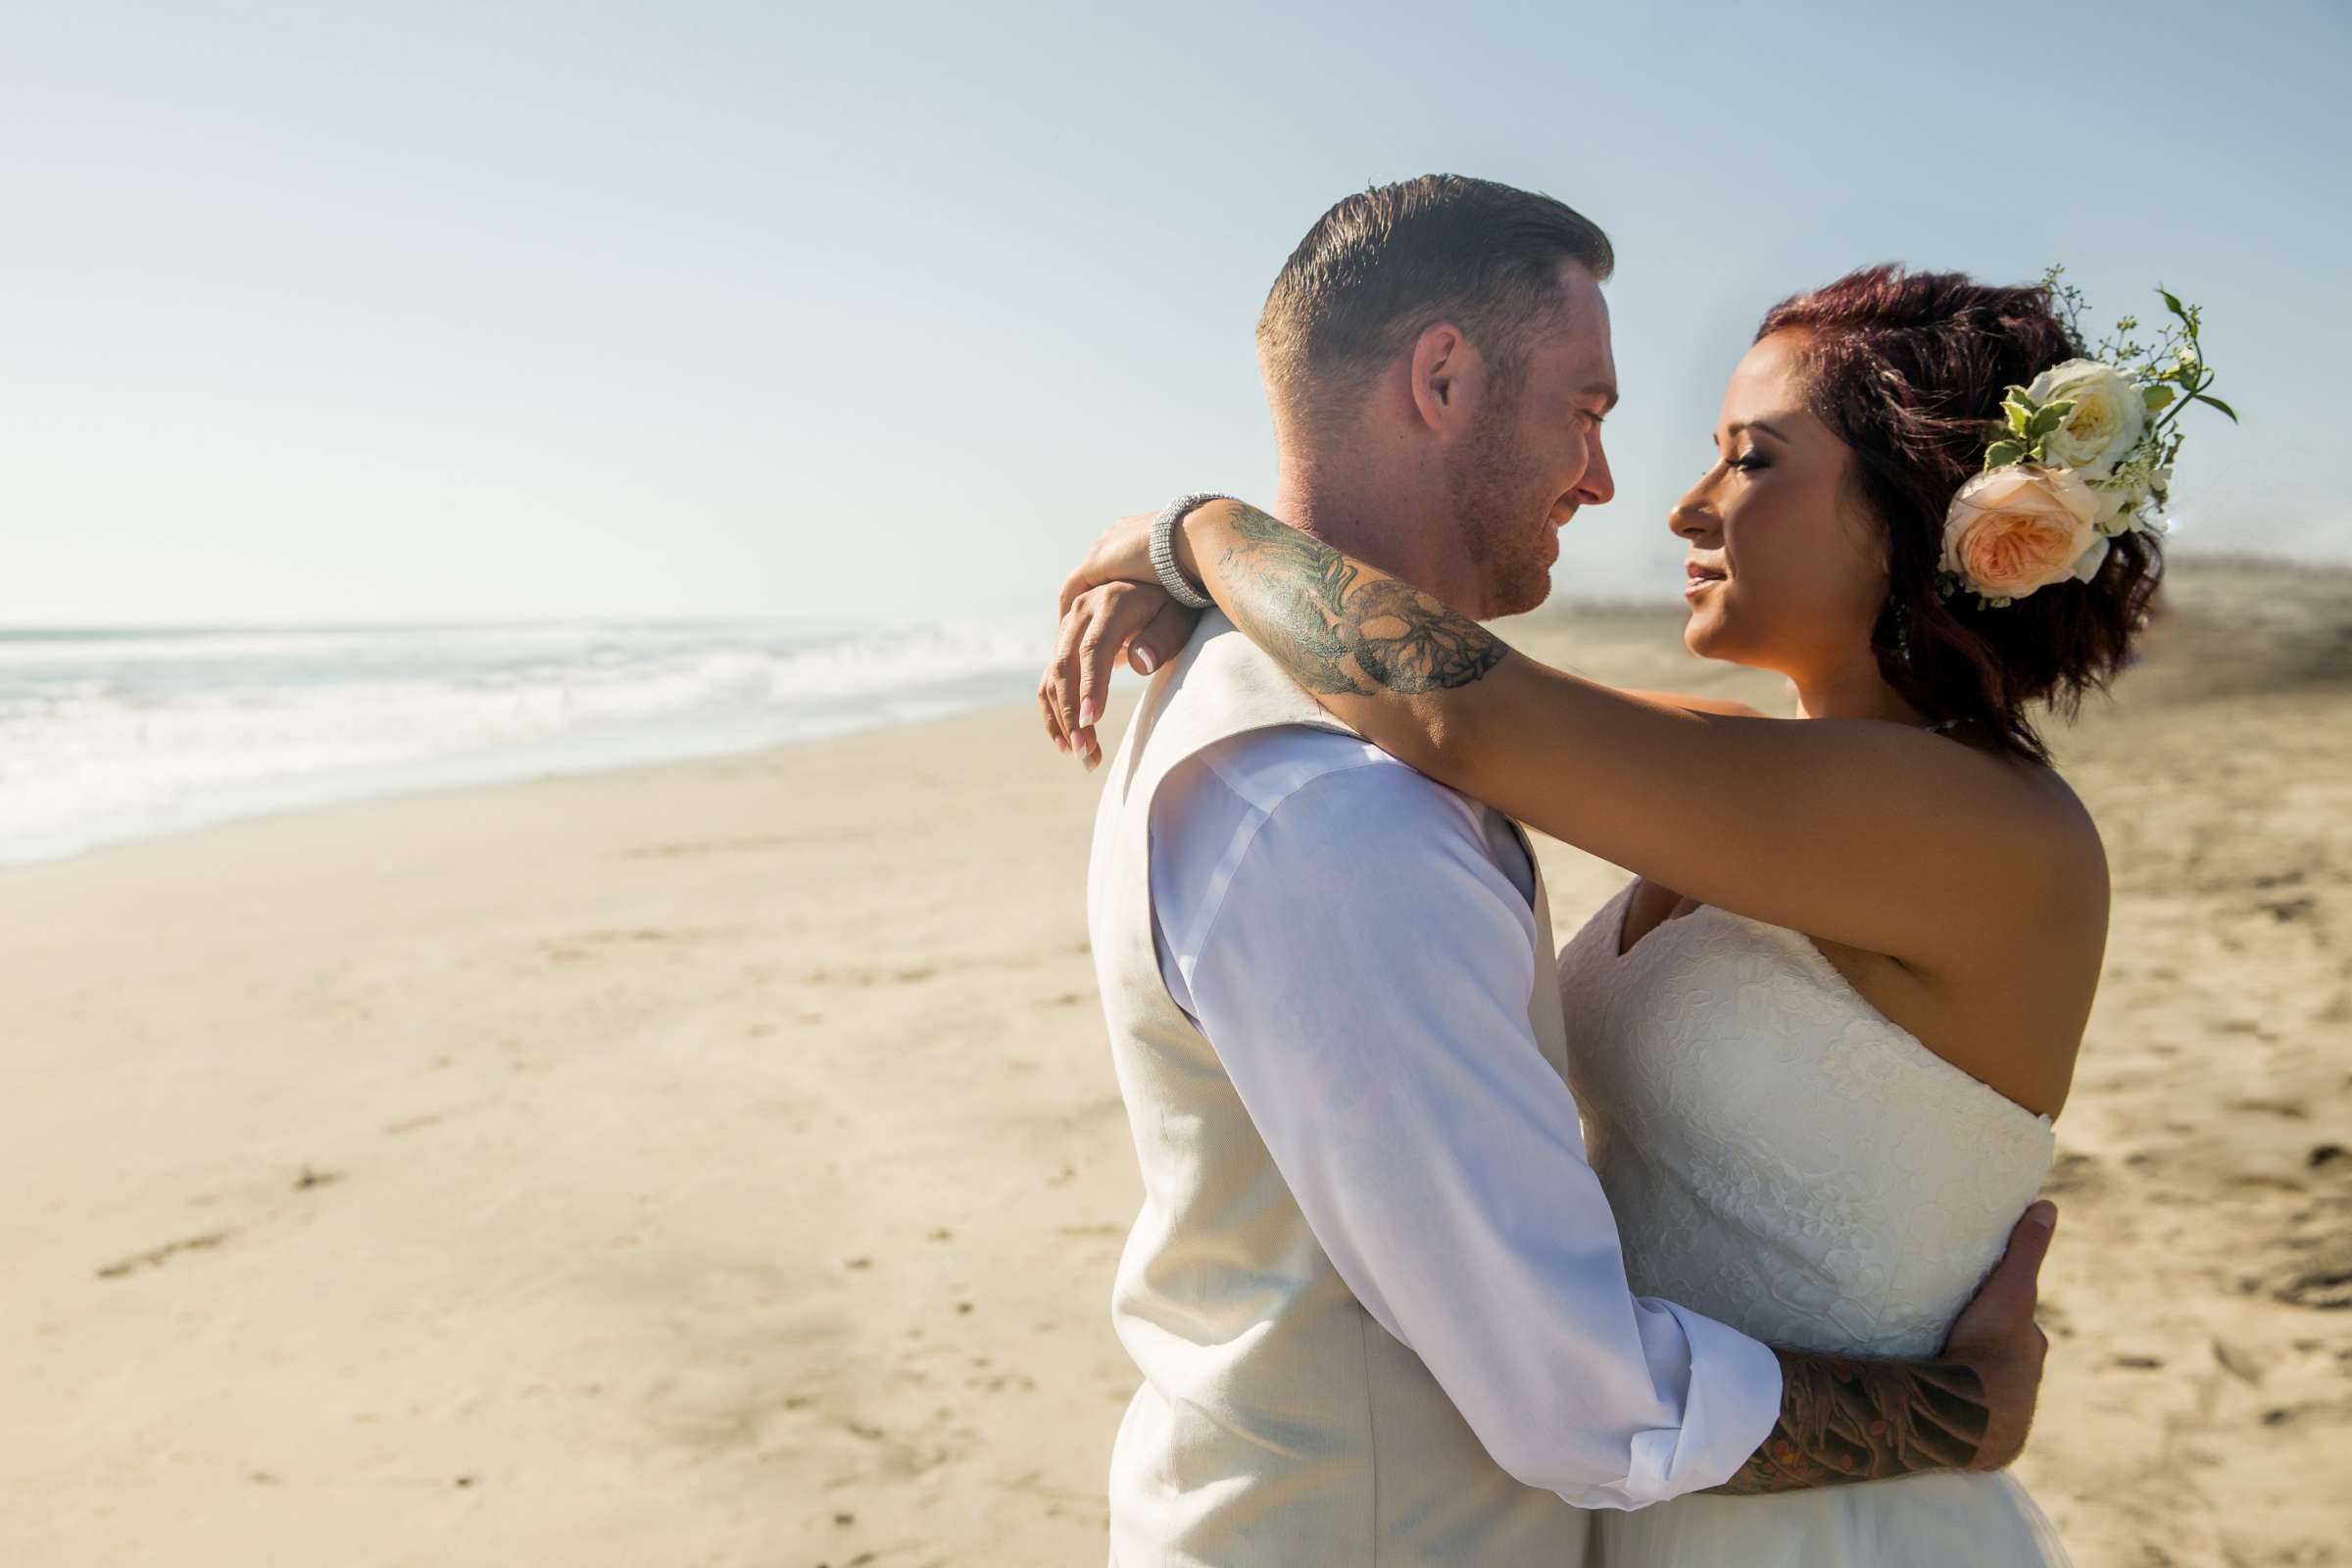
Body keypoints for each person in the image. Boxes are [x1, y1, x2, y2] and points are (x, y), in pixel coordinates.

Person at [1046, 175, 2068, 1567]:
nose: (1651, 498)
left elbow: (1468, 708)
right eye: (1592, 417)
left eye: (1750, 460)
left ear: (1913, 507)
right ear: (1443, 375)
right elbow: (1466, 707)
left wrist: (1199, 531)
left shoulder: (1958, 826)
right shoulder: (1649, 777)